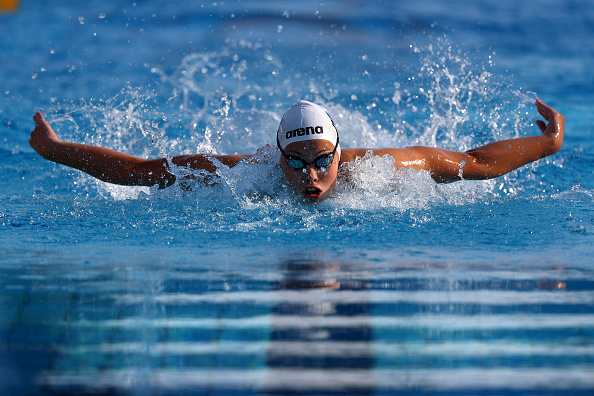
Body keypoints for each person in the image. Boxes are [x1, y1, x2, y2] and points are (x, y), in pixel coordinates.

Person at [29, 99, 564, 201]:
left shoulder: (377, 171)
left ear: (340, 151)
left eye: (323, 161)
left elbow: (475, 164)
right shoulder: (245, 175)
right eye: (296, 163)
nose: (312, 175)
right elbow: (145, 172)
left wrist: (549, 141)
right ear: (276, 156)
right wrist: (55, 151)